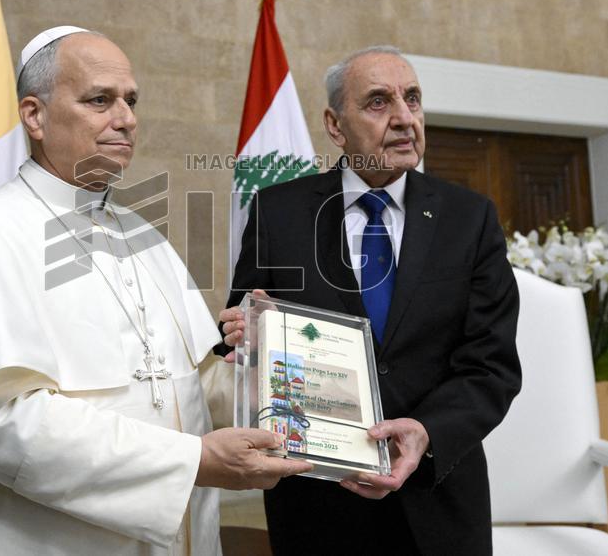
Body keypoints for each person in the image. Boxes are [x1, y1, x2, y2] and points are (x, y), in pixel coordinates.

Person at [0, 26, 310, 555]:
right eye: (99, 100)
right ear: (34, 116)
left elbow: (190, 392)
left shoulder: (146, 236)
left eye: (131, 101)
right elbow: (3, 425)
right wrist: (192, 460)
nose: (126, 119)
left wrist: (260, 366)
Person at [220, 45, 521, 555]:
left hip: (439, 500)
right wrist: (245, 341)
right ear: (336, 126)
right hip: (317, 503)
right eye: (379, 102)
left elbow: (492, 365)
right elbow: (238, 337)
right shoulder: (280, 213)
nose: (405, 118)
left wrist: (427, 432)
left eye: (413, 99)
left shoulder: (469, 218)